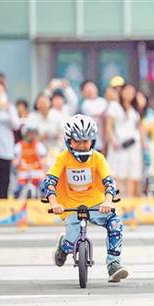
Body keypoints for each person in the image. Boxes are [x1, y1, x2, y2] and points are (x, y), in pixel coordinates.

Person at [42, 114, 128, 282]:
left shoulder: (98, 158)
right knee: (71, 242)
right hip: (71, 207)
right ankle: (63, 247)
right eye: (77, 141)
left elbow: (109, 182)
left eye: (86, 141)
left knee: (116, 223)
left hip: (97, 205)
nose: (82, 146)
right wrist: (54, 203)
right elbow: (49, 182)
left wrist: (108, 201)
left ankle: (114, 265)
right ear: (69, 140)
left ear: (93, 141)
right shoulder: (63, 158)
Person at [105, 83, 143, 197]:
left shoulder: (134, 109)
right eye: (127, 91)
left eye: (132, 92)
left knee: (132, 175)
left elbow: (139, 126)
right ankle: (119, 201)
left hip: (134, 145)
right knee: (118, 174)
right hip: (120, 145)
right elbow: (109, 126)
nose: (129, 94)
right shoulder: (114, 106)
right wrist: (113, 141)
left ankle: (130, 202)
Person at [0, 81, 21, 198]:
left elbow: (16, 125)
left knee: (4, 180)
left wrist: (8, 108)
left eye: (1, 91)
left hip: (5, 150)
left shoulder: (10, 108)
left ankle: (2, 206)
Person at [13, 122, 47, 198]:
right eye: (30, 133)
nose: (32, 135)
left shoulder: (39, 146)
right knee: (16, 192)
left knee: (45, 190)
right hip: (23, 177)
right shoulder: (19, 146)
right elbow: (14, 163)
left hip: (37, 176)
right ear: (25, 133)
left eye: (34, 133)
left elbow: (44, 162)